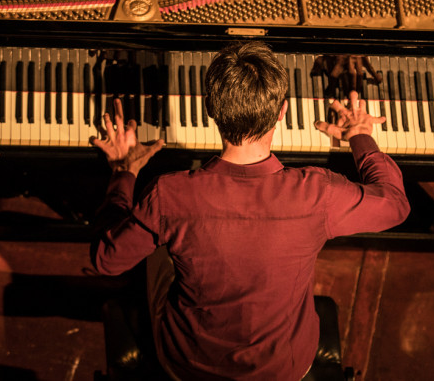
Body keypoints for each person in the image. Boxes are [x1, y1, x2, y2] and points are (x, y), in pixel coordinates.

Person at [90, 41, 409, 380]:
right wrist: (359, 135)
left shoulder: (169, 194)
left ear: (210, 109)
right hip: (285, 367)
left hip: (189, 365)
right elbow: (395, 205)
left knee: (160, 245)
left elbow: (106, 260)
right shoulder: (318, 193)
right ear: (283, 112)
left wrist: (124, 172)